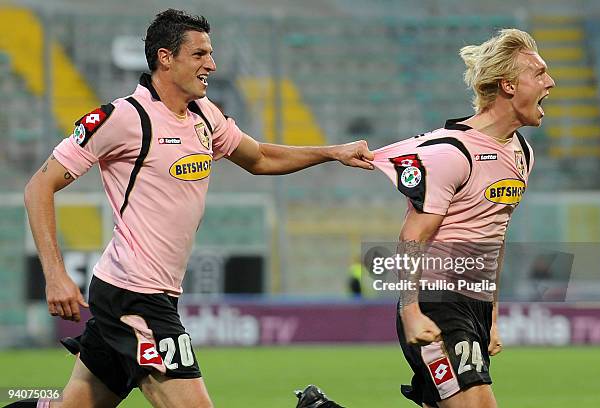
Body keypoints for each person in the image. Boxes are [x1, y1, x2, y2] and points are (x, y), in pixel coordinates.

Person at [20, 9, 374, 408]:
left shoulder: (204, 115)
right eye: (200, 54)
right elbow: (39, 187)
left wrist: (332, 152)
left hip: (153, 293)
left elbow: (259, 158)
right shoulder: (124, 118)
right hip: (134, 295)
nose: (212, 64)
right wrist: (55, 274)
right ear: (165, 58)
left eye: (211, 53)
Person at [369, 29, 555, 407]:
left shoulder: (522, 153)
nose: (550, 82)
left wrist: (493, 315)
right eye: (539, 74)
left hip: (476, 306)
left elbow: (495, 237)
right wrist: (411, 313)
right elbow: (412, 236)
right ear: (507, 85)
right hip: (436, 301)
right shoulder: (452, 152)